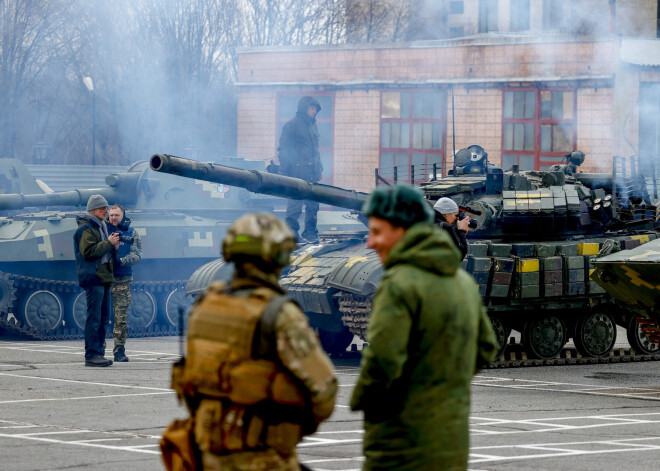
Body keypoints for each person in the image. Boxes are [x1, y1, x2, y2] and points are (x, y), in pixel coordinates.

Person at [161, 213, 337, 471]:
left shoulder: (204, 306)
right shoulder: (278, 313)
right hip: (262, 458)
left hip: (207, 454)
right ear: (279, 256)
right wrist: (289, 425)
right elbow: (325, 392)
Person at [350, 184, 498, 470]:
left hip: (402, 443)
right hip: (450, 437)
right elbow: (485, 349)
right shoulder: (461, 283)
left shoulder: (399, 285)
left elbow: (382, 364)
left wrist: (364, 401)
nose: (370, 242)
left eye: (378, 231)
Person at [73, 195, 120, 367]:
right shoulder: (86, 229)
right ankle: (91, 355)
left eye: (106, 208)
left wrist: (112, 247)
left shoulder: (101, 227)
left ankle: (98, 353)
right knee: (94, 318)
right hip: (94, 278)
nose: (106, 212)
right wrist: (108, 243)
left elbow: (104, 253)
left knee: (103, 319)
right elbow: (89, 251)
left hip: (104, 278)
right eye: (102, 209)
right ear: (93, 210)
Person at [278, 96, 323, 243]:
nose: (314, 111)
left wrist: (319, 168)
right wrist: (285, 173)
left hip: (312, 173)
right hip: (296, 172)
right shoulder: (291, 126)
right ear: (304, 108)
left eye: (316, 109)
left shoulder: (312, 126)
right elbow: (283, 150)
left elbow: (315, 150)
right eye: (312, 108)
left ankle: (310, 233)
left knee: (313, 205)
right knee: (295, 204)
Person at [106, 204, 142, 363]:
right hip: (104, 279)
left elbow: (137, 254)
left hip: (122, 280)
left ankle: (119, 350)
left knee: (120, 318)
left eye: (116, 215)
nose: (113, 218)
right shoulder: (103, 230)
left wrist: (120, 261)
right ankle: (98, 349)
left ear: (123, 215)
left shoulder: (131, 232)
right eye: (111, 215)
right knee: (100, 316)